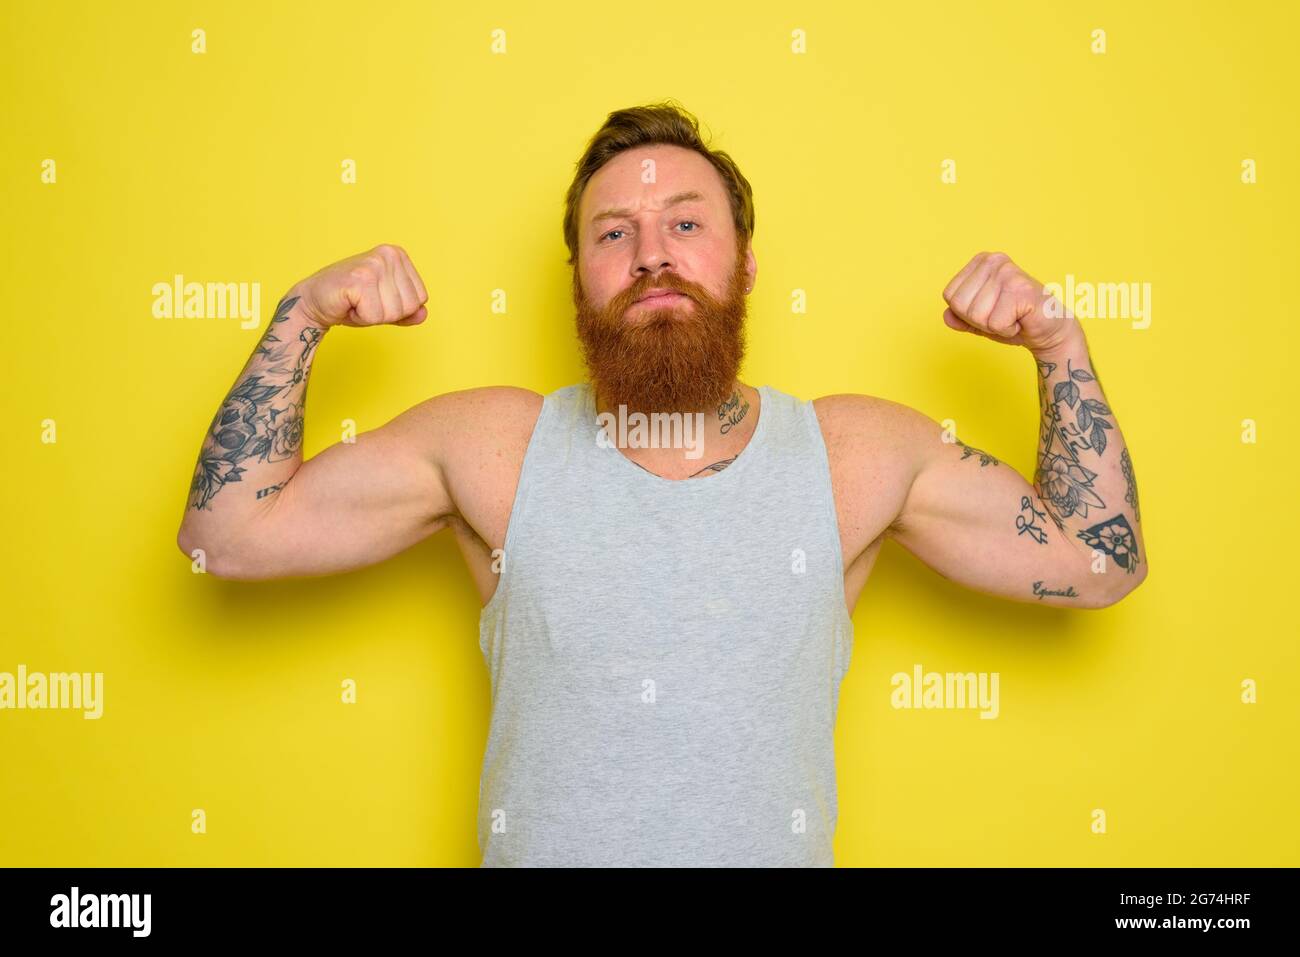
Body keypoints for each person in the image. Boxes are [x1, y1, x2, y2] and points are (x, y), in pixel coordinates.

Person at [176, 102, 1148, 867]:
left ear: (747, 263)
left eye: (686, 223)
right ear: (577, 280)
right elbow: (226, 537)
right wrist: (302, 314)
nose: (651, 256)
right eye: (613, 235)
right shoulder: (492, 447)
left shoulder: (851, 456)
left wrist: (1060, 345)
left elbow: (1099, 564)